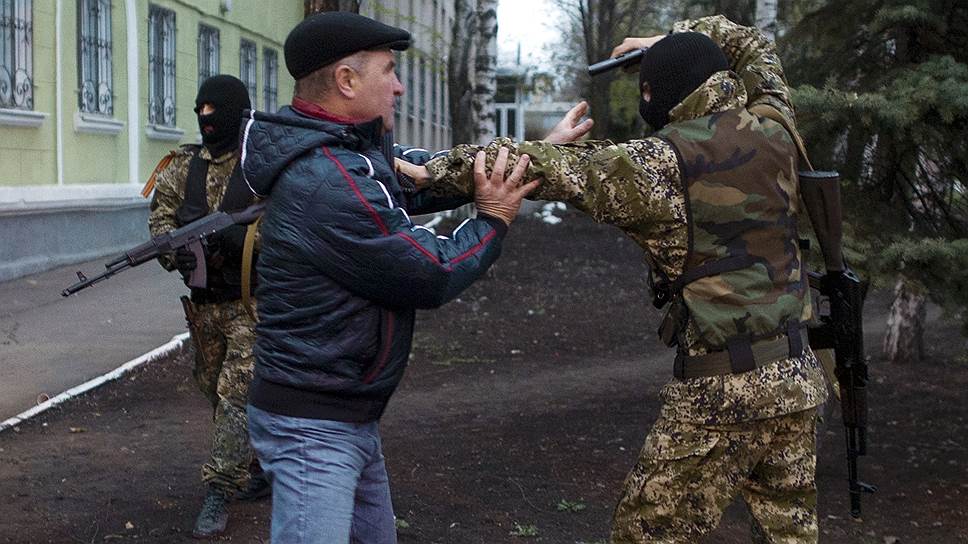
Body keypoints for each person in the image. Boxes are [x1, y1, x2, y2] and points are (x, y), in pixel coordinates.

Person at [406, 15, 829, 543]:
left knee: (646, 534)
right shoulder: (775, 125)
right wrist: (672, 38)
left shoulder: (661, 163)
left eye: (646, 88)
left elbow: (545, 165)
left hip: (723, 390)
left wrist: (437, 170)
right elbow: (753, 43)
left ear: (662, 94)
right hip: (797, 378)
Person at [237, 12, 538, 543]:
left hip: (342, 416)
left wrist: (535, 158)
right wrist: (493, 220)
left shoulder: (346, 152)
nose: (400, 85)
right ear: (347, 82)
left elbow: (424, 174)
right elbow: (432, 272)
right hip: (315, 428)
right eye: (389, 71)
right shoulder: (327, 178)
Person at [147, 75, 268, 539]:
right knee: (215, 391)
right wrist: (169, 250)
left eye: (215, 111)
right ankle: (259, 461)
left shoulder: (259, 163)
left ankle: (219, 490)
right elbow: (162, 216)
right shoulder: (181, 166)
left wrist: (246, 242)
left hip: (249, 304)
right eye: (200, 111)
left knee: (236, 394)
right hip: (204, 306)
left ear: (237, 114)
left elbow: (285, 215)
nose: (205, 119)